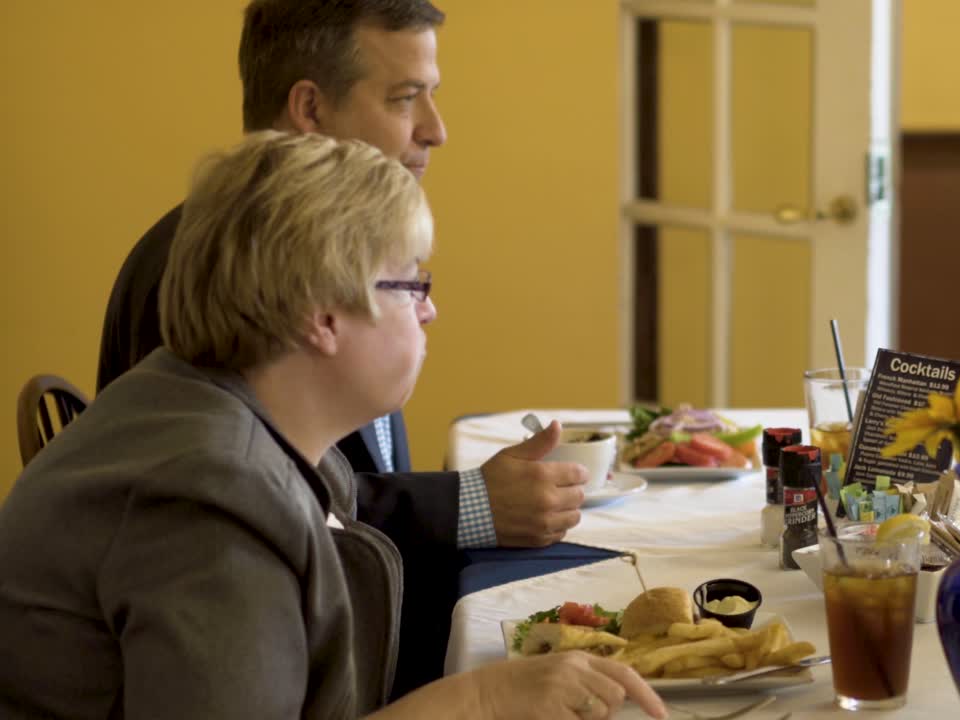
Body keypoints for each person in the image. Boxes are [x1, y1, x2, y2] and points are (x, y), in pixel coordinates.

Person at [0, 131, 664, 720]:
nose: (429, 311)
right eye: (410, 284)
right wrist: (479, 698)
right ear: (322, 317)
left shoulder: (221, 412)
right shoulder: (210, 501)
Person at [94, 0, 587, 691]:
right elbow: (265, 503)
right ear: (310, 109)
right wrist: (474, 695)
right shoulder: (223, 267)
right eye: (404, 98)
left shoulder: (331, 252)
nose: (435, 131)